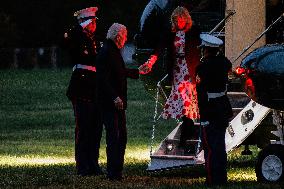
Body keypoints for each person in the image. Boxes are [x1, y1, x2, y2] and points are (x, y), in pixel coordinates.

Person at [139, 6, 201, 154]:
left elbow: (198, 52)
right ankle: (188, 130)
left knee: (187, 102)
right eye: (175, 20)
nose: (178, 22)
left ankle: (186, 135)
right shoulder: (170, 33)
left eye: (180, 20)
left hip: (189, 70)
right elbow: (159, 49)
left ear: (185, 19)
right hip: (177, 70)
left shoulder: (193, 32)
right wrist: (150, 63)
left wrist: (199, 72)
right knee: (181, 101)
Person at [96, 23, 145, 180]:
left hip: (117, 102)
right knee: (115, 136)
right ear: (118, 36)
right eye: (124, 36)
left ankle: (117, 170)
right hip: (111, 102)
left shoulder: (113, 51)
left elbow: (120, 71)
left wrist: (138, 72)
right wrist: (114, 97)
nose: (125, 39)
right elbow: (102, 78)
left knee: (120, 136)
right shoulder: (106, 52)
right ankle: (113, 172)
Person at [63, 7, 103, 176]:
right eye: (92, 22)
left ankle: (93, 165)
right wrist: (80, 26)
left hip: (94, 88)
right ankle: (82, 167)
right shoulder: (77, 36)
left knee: (95, 129)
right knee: (84, 128)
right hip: (81, 87)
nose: (94, 25)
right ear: (86, 23)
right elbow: (70, 43)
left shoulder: (93, 39)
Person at [195, 34, 233, 185]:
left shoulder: (202, 67)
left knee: (210, 147)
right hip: (222, 108)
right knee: (220, 145)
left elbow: (201, 93)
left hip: (209, 110)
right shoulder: (225, 63)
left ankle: (212, 179)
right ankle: (222, 178)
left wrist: (202, 117)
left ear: (205, 50)